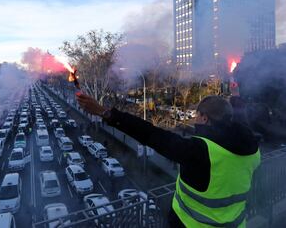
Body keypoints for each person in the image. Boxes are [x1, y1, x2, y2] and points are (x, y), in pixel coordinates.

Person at [76, 94, 260, 228]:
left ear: (204, 118)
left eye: (197, 116)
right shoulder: (252, 150)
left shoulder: (200, 152)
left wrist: (104, 112)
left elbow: (151, 134)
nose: (194, 120)